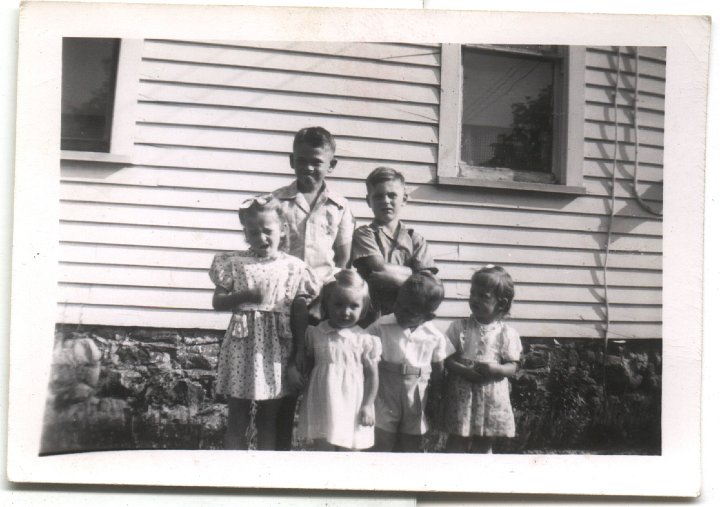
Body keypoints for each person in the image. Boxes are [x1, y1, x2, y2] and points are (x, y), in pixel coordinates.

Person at [209, 195, 319, 450]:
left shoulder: (294, 268)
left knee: (268, 418)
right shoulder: (234, 263)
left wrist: (299, 352)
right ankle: (231, 472)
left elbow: (299, 312)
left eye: (267, 231)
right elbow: (218, 302)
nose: (261, 238)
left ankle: (263, 473)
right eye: (253, 232)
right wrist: (244, 296)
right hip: (242, 347)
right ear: (245, 234)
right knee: (237, 417)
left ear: (283, 230)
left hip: (276, 350)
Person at [272, 126, 355, 449]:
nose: (309, 167)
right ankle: (279, 453)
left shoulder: (340, 206)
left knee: (324, 384)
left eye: (317, 162)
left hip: (324, 306)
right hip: (282, 303)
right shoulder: (277, 202)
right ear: (291, 160)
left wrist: (325, 301)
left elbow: (344, 260)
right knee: (285, 383)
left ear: (331, 165)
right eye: (302, 160)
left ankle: (323, 452)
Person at [366, 272, 454, 452]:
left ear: (428, 316)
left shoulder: (434, 336)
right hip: (385, 389)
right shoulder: (381, 325)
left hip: (417, 392)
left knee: (411, 439)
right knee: (382, 437)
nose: (399, 311)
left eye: (409, 311)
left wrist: (437, 395)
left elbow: (439, 366)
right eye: (398, 304)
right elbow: (362, 344)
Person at [296, 270, 381, 451]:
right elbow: (309, 364)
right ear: (326, 304)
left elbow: (373, 376)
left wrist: (367, 405)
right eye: (338, 304)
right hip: (322, 400)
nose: (345, 311)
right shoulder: (315, 333)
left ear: (363, 307)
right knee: (322, 446)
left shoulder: (364, 339)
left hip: (352, 403)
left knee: (351, 448)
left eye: (353, 306)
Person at [442, 265, 522, 454]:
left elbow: (512, 366)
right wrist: (463, 370)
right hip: (463, 394)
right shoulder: (459, 327)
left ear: (501, 303)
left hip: (491, 396)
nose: (474, 299)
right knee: (457, 439)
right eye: (472, 293)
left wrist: (497, 370)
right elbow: (447, 359)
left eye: (483, 296)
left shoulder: (507, 333)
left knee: (484, 441)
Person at [351, 166, 437, 326]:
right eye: (378, 196)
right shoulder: (364, 234)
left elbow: (428, 284)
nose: (385, 201)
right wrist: (414, 274)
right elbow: (379, 268)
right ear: (368, 201)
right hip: (372, 317)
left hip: (407, 319)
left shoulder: (415, 239)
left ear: (404, 198)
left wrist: (397, 278)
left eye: (392, 195)